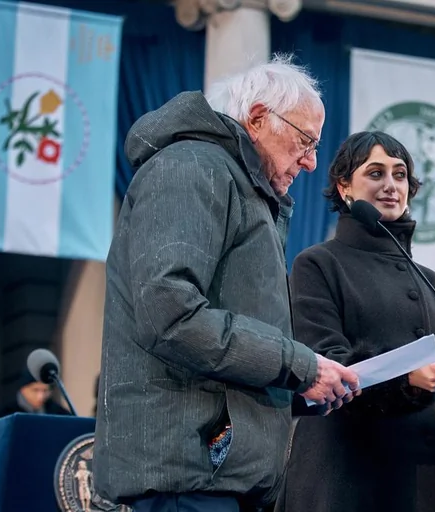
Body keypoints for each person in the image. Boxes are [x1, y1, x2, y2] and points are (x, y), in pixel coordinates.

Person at [93, 55, 360, 512]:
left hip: (216, 472)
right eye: (305, 141)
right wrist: (299, 366)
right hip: (190, 472)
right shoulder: (192, 167)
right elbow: (170, 315)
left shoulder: (234, 184)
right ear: (258, 118)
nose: (312, 162)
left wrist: (302, 383)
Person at [275, 131, 435, 512]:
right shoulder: (317, 264)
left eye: (400, 174)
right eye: (375, 173)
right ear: (344, 187)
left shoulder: (432, 280)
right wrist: (408, 378)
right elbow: (325, 364)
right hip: (347, 473)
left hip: (430, 477)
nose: (391, 185)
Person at [0, 368, 70, 419]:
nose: (41, 396)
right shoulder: (6, 414)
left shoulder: (59, 413)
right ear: (23, 389)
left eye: (45, 391)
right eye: (35, 390)